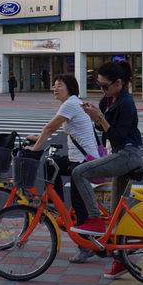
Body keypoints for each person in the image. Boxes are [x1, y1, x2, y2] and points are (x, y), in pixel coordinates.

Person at [71, 60, 143, 279]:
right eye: (98, 84)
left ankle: (92, 219)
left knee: (79, 172)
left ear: (119, 83)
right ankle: (121, 261)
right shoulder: (108, 101)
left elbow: (119, 137)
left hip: (127, 155)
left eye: (104, 86)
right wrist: (95, 115)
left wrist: (100, 118)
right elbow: (101, 130)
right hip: (118, 155)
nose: (101, 89)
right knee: (117, 214)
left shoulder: (127, 104)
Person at [27, 74, 99, 263]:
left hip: (84, 162)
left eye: (59, 85)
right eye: (54, 85)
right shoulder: (73, 103)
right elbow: (54, 128)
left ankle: (85, 247)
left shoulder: (70, 104)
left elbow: (50, 127)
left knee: (79, 203)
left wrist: (35, 148)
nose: (54, 88)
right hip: (81, 158)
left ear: (69, 88)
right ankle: (54, 202)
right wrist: (39, 139)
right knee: (53, 163)